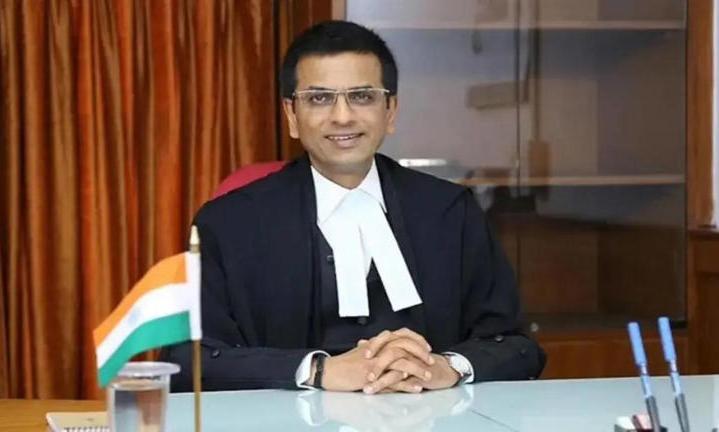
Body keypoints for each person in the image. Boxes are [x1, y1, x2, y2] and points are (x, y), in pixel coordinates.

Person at [163, 20, 545, 394]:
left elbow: (518, 346)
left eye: (362, 96)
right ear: (292, 115)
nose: (342, 116)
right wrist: (317, 370)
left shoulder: (450, 212)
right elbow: (187, 361)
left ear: (390, 111)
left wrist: (447, 367)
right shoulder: (229, 223)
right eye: (319, 98)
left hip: (429, 418)